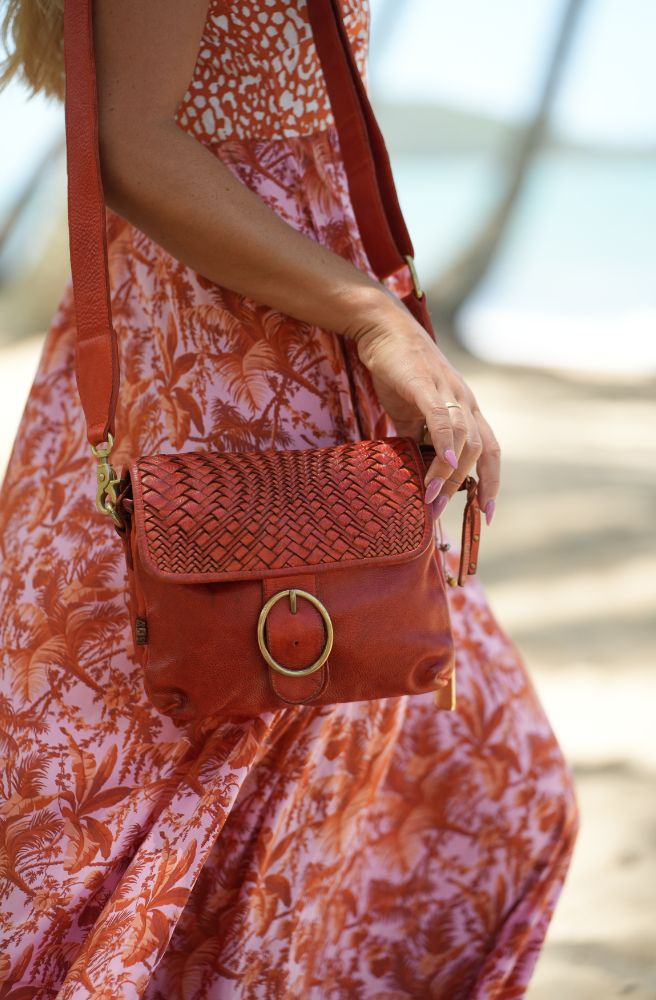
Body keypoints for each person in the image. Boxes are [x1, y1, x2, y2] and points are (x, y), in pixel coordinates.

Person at [0, 1, 579, 997]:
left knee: (439, 778)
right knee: (173, 779)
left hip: (276, 326)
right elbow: (131, 143)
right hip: (229, 358)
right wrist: (373, 318)